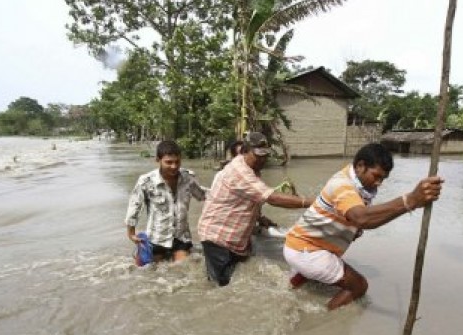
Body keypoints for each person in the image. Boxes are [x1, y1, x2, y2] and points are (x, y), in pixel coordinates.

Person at [283, 143, 444, 310]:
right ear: (360, 166)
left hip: (301, 244)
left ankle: (293, 283)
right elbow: (362, 218)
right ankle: (323, 318)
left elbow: (363, 218)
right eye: (376, 176)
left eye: (383, 179)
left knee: (322, 272)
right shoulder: (342, 185)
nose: (379, 183)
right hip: (307, 250)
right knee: (359, 286)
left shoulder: (359, 184)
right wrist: (409, 200)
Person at [198, 131, 314, 286]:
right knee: (221, 286)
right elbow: (271, 198)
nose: (263, 159)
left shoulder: (252, 168)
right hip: (218, 237)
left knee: (238, 280)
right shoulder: (240, 171)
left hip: (236, 238)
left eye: (265, 155)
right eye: (258, 155)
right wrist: (311, 202)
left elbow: (245, 198)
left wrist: (259, 218)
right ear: (244, 151)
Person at [125, 140, 206, 264]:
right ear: (158, 160)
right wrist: (131, 233)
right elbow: (134, 206)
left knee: (183, 270)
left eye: (177, 162)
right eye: (169, 162)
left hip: (181, 237)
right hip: (156, 238)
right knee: (150, 273)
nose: (174, 166)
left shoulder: (188, 178)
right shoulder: (146, 181)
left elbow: (203, 195)